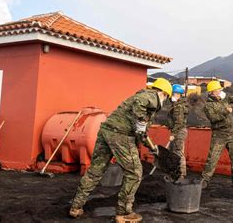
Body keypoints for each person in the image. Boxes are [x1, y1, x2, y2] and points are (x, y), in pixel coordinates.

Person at [68, 78, 172, 223]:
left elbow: (141, 133)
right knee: (135, 173)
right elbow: (139, 104)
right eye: (166, 97)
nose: (165, 101)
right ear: (163, 93)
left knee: (95, 171)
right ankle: (123, 213)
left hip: (106, 131)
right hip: (121, 135)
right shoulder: (151, 96)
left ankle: (76, 207)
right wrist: (141, 120)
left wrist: (152, 147)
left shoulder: (145, 101)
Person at [166, 84, 189, 181]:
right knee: (174, 152)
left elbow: (178, 122)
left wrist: (173, 134)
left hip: (179, 131)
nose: (171, 96)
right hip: (177, 130)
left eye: (172, 94)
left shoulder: (179, 106)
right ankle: (175, 174)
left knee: (178, 152)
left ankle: (181, 175)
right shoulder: (176, 105)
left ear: (177, 94)